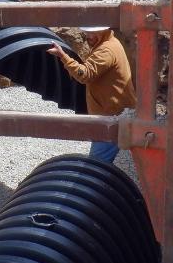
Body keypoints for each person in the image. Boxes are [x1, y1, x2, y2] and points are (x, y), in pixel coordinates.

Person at [47, 26, 136, 163]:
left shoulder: (106, 50)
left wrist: (63, 56)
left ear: (104, 30)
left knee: (97, 163)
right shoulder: (111, 42)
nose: (88, 36)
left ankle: (99, 183)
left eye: (93, 32)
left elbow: (85, 75)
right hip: (120, 110)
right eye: (86, 32)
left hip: (112, 116)